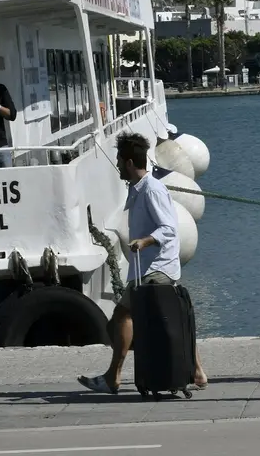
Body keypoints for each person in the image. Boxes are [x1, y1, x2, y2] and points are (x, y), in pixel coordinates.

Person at [77, 132, 208, 394]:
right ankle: (196, 371)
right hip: (149, 268)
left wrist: (145, 241)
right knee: (169, 321)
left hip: (155, 268)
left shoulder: (152, 190)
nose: (116, 165)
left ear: (128, 163)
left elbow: (169, 229)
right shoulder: (139, 189)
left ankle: (113, 376)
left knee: (122, 318)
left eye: (118, 160)